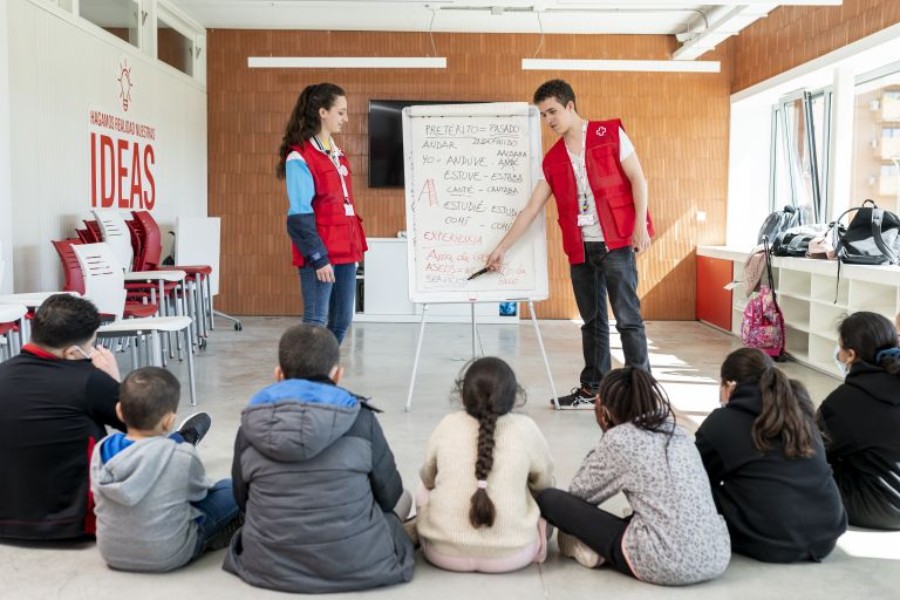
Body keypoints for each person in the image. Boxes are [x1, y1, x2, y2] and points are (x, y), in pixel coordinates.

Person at [487, 79, 652, 409]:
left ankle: (641, 392)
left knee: (627, 319)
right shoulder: (552, 159)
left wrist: (640, 227)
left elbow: (638, 178)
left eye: (552, 111)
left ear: (570, 107)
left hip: (616, 241)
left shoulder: (609, 134)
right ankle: (593, 389)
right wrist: (501, 247)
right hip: (581, 248)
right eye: (543, 114)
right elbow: (532, 208)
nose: (549, 120)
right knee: (591, 323)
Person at [223, 324, 414, 593]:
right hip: (358, 563)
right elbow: (390, 494)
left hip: (266, 565)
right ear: (337, 376)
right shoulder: (361, 419)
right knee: (406, 497)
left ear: (278, 374)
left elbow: (242, 499)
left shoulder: (251, 423)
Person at [536, 367, 730, 585]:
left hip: (666, 563)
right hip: (717, 553)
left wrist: (606, 432)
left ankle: (594, 549)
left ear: (605, 409)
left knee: (549, 499)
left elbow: (579, 495)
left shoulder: (621, 438)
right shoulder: (677, 431)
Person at [695, 348, 846, 562]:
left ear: (729, 386)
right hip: (826, 533)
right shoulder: (801, 413)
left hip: (771, 540)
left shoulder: (721, 422)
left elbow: (696, 478)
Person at [0, 294, 124, 541]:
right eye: (91, 347)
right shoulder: (90, 379)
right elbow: (141, 424)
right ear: (71, 352)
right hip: (71, 523)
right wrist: (114, 381)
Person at [91, 367, 240, 572]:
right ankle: (214, 536)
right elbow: (198, 496)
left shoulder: (101, 450)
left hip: (112, 552)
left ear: (119, 411)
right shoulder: (180, 455)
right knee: (230, 488)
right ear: (170, 421)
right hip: (170, 553)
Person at [416, 357, 555, 572]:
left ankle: (427, 530)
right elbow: (545, 484)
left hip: (442, 553)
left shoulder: (448, 424)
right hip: (514, 555)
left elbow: (428, 478)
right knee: (547, 498)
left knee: (423, 488)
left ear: (463, 397)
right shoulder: (526, 428)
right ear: (514, 398)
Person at [277, 82, 367, 345]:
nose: (346, 118)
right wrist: (318, 258)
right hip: (322, 254)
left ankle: (324, 377)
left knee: (341, 322)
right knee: (316, 323)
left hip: (346, 251)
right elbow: (298, 217)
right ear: (322, 112)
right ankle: (309, 381)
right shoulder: (300, 157)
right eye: (341, 112)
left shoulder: (337, 153)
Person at [817, 311, 900, 530]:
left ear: (851, 355)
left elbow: (810, 450)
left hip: (881, 507)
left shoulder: (842, 402)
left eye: (841, 347)